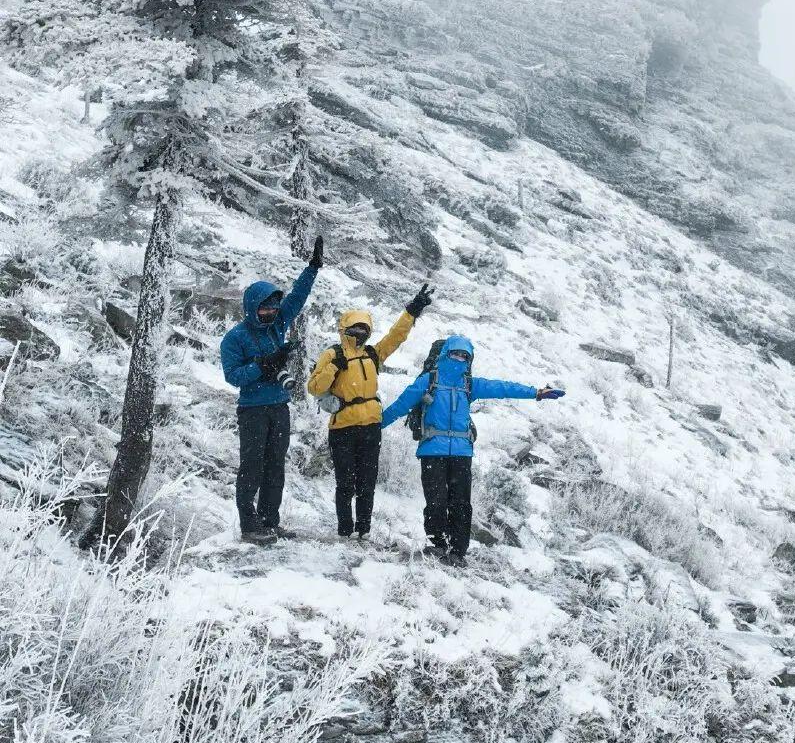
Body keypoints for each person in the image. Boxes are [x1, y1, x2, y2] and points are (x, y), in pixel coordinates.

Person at [380, 334, 564, 565]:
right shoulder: (428, 381)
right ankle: (437, 545)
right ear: (446, 354)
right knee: (436, 501)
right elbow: (400, 406)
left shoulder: (469, 385)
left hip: (461, 453)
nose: (459, 358)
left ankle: (458, 552)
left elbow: (503, 388)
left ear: (470, 359)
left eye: (464, 355)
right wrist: (375, 425)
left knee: (461, 503)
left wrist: (535, 392)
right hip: (431, 450)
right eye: (456, 353)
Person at [307, 283, 434, 540]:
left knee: (366, 482)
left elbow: (395, 337)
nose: (360, 332)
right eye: (356, 328)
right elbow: (314, 387)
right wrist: (333, 368)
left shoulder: (373, 354)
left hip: (370, 427)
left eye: (364, 328)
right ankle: (344, 529)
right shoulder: (332, 354)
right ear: (345, 329)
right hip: (342, 428)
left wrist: (412, 311)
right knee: (345, 483)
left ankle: (363, 530)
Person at [220, 235, 324, 545]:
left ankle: (269, 521)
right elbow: (233, 376)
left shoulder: (279, 324)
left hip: (279, 407)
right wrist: (263, 366)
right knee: (252, 465)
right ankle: (249, 525)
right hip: (252, 410)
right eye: (265, 308)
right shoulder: (234, 338)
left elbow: (297, 298)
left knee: (275, 466)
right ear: (253, 308)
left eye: (273, 307)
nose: (271, 312)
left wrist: (313, 268)